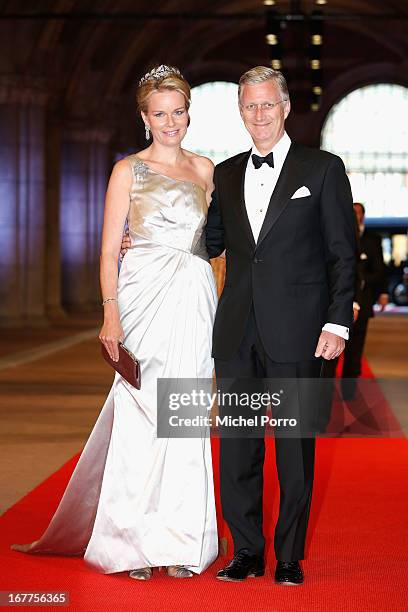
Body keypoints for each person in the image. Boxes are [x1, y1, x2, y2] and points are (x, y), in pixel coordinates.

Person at [12, 65, 218, 580]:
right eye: (160, 114)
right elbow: (107, 252)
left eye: (178, 112)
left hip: (192, 297)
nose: (171, 122)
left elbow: (216, 243)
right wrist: (110, 314)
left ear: (188, 112)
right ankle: (129, 542)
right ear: (144, 118)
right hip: (142, 296)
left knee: (184, 416)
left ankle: (179, 540)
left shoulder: (207, 169)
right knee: (142, 412)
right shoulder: (127, 170)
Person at [205, 66, 356, 585]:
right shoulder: (224, 174)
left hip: (300, 331)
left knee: (294, 451)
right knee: (238, 449)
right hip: (238, 332)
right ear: (241, 111)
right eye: (250, 106)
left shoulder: (322, 169)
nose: (260, 114)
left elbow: (343, 254)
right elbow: (209, 243)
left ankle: (289, 556)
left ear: (286, 107)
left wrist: (337, 322)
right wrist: (147, 245)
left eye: (269, 104)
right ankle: (245, 551)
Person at [340, 202, 388, 400]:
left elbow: (379, 270)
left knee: (355, 350)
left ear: (363, 216)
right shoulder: (338, 235)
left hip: (362, 300)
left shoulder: (372, 239)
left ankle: (349, 392)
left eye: (358, 213)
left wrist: (378, 290)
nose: (355, 216)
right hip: (338, 302)